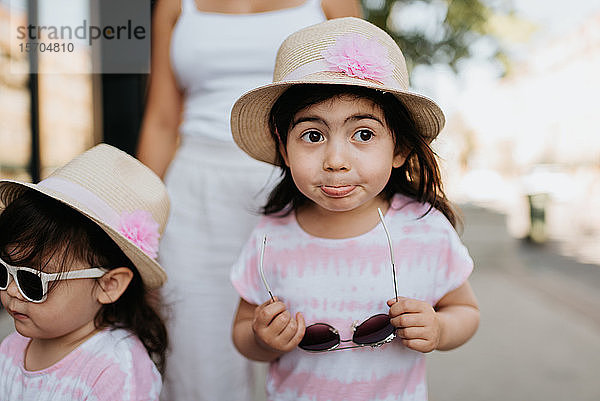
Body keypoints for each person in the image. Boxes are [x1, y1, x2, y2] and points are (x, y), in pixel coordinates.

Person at [229, 17, 480, 400]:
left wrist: (440, 329)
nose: (335, 160)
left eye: (363, 134)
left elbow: (465, 310)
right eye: (312, 136)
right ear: (284, 149)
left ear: (399, 149)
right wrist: (263, 338)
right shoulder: (271, 234)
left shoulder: (423, 227)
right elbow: (243, 329)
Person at [136, 1, 362, 399]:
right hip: (195, 193)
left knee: (320, 354)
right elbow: (160, 121)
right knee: (197, 368)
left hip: (303, 187)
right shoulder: (174, 5)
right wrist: (138, 232)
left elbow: (365, 102)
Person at [0, 144, 169, 400]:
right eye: (5, 271)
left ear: (108, 285)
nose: (11, 289)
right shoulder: (13, 346)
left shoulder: (116, 369)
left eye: (33, 281)